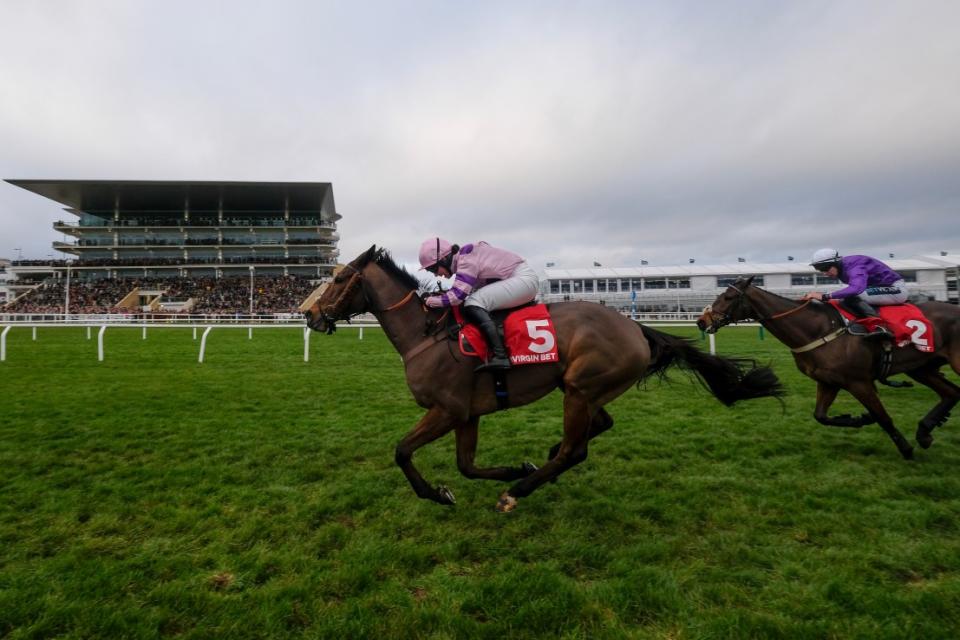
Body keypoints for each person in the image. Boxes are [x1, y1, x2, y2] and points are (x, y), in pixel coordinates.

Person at [419, 237, 540, 371]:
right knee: (474, 299)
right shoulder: (465, 259)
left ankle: (500, 355)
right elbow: (461, 291)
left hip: (522, 279)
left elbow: (457, 297)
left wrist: (428, 300)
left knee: (474, 302)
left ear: (444, 259)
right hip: (519, 279)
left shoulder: (466, 258)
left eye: (434, 269)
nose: (436, 275)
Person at [800, 248, 908, 337]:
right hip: (880, 288)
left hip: (895, 289)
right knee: (843, 297)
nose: (825, 273)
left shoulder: (854, 265)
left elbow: (856, 289)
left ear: (836, 263)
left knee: (853, 295)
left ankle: (879, 326)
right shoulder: (843, 267)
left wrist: (825, 296)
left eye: (825, 269)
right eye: (820, 270)